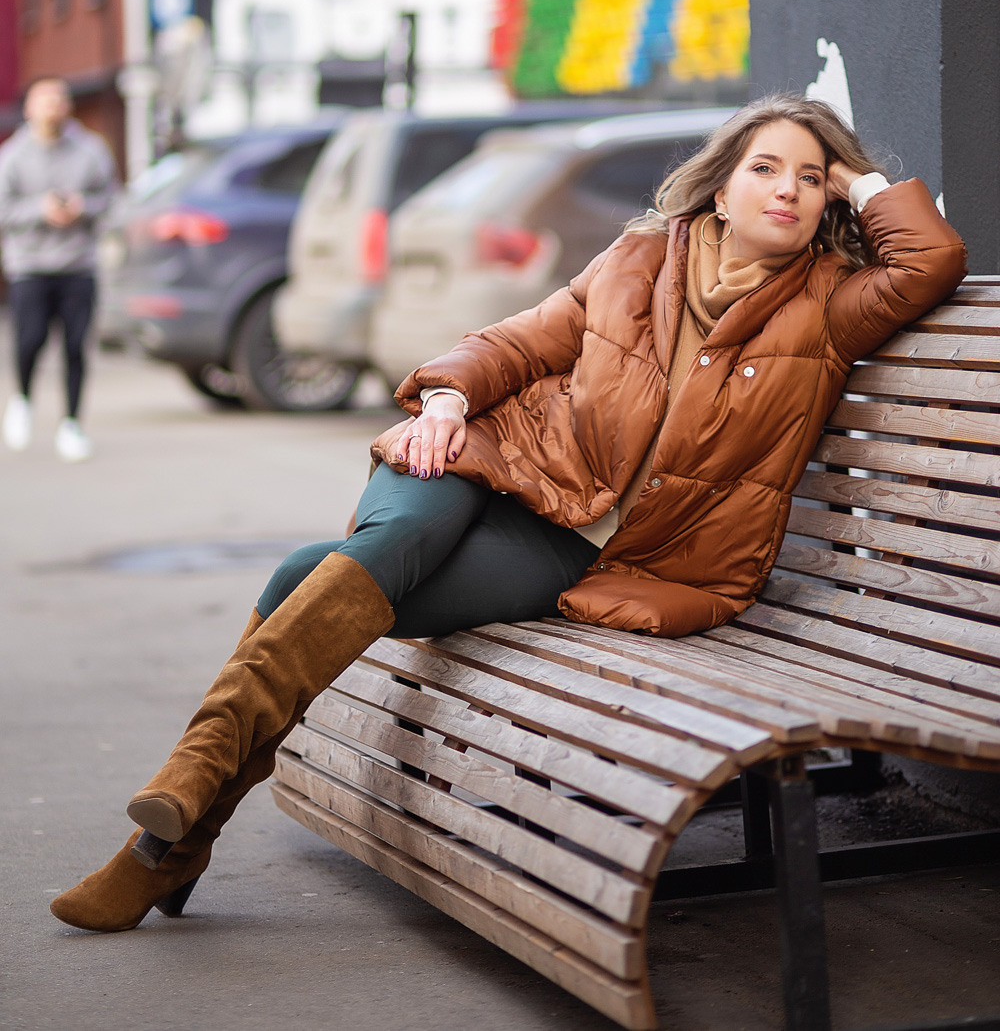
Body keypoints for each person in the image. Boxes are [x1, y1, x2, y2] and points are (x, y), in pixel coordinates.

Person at [50, 95, 966, 931]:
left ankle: (173, 836)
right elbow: (518, 342)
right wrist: (446, 399)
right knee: (403, 531)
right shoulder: (638, 260)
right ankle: (177, 809)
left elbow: (932, 261)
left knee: (303, 578)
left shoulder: (828, 309)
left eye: (811, 178)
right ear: (719, 190)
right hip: (485, 452)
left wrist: (862, 179)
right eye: (764, 167)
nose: (790, 189)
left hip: (572, 545)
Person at [0, 77, 117, 462]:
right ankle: (22, 400)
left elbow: (113, 200)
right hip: (29, 265)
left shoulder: (91, 150)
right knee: (29, 341)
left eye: (60, 99)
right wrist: (41, 210)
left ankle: (72, 423)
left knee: (75, 347)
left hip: (78, 264)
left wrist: (82, 207)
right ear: (30, 107)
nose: (54, 106)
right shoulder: (13, 156)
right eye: (45, 99)